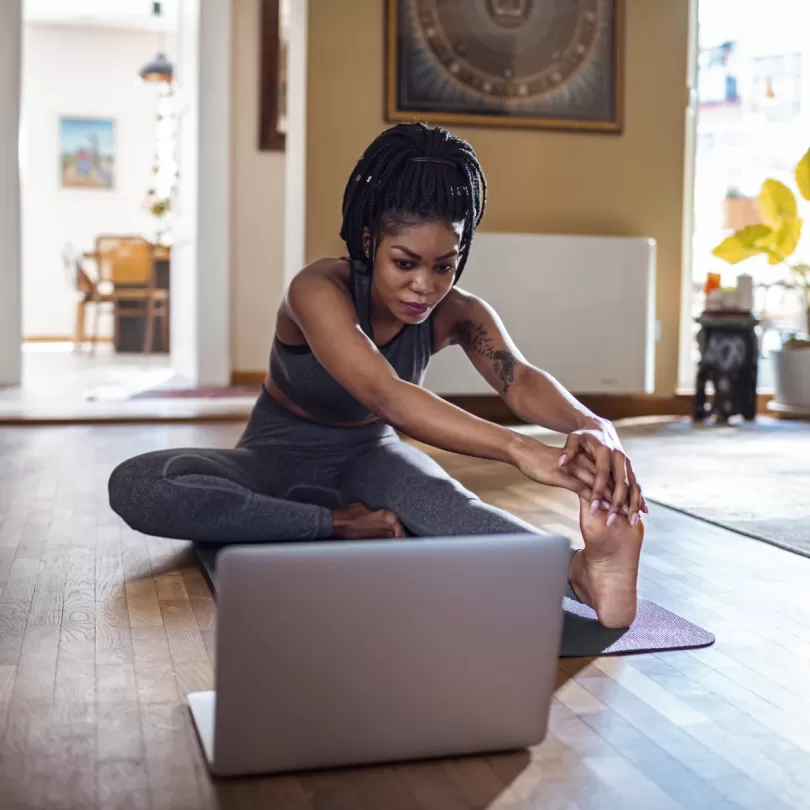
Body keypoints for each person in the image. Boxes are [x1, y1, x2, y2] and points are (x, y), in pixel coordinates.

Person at [108, 123, 646, 628]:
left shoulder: (459, 312)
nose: (425, 286)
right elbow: (386, 393)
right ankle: (335, 522)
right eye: (405, 262)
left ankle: (581, 573)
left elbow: (519, 379)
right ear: (368, 244)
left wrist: (592, 423)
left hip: (372, 461)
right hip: (273, 460)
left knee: (451, 507)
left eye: (444, 265)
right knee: (140, 485)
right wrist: (520, 449)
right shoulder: (317, 290)